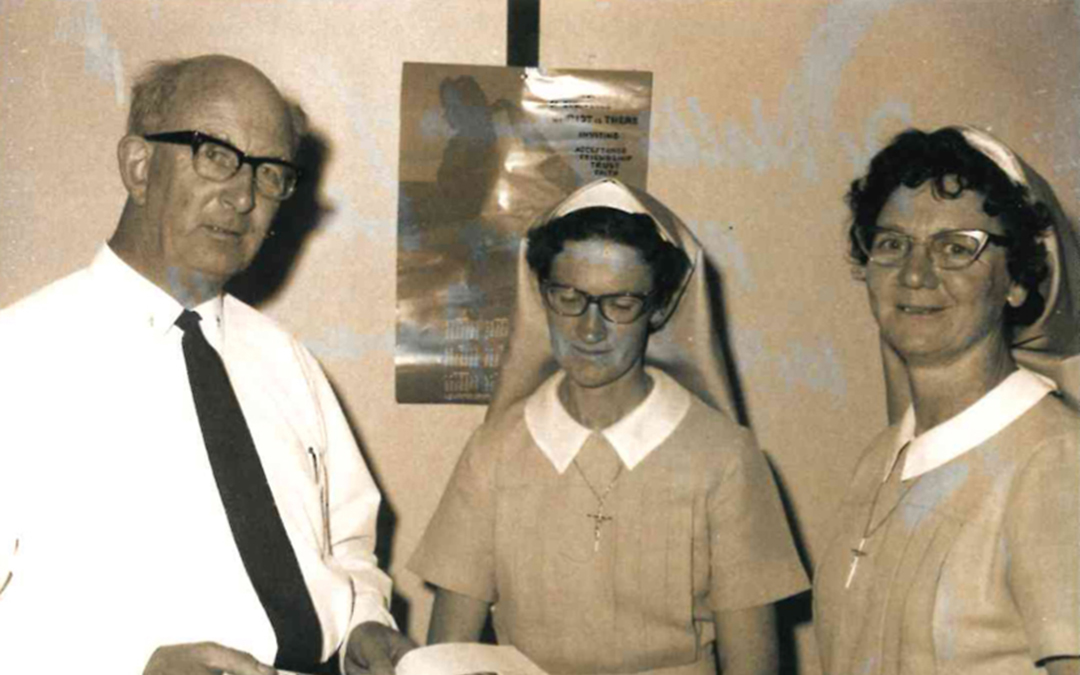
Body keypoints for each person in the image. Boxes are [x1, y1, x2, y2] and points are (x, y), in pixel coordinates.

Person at [0, 55, 414, 675]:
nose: (244, 195)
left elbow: (346, 546)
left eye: (270, 172)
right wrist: (129, 664)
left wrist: (363, 626)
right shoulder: (20, 356)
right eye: (215, 154)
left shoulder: (288, 362)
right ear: (139, 166)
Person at [409, 179, 809, 675]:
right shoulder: (493, 451)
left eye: (620, 304)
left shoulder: (724, 457)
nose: (590, 329)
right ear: (542, 296)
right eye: (570, 297)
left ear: (659, 308)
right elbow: (447, 655)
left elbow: (753, 667)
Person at [813, 126, 1080, 675]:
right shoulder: (883, 459)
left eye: (956, 248)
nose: (915, 273)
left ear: (1017, 280)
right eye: (892, 243)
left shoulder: (1054, 463)